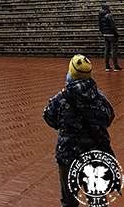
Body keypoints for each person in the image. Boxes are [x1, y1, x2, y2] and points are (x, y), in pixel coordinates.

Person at [43, 54, 116, 207]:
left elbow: (49, 117)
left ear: (71, 74)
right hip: (94, 155)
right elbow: (109, 117)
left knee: (69, 201)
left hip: (68, 155)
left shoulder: (61, 98)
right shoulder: (100, 98)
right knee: (97, 200)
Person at [98, 3, 122, 72]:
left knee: (107, 50)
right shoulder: (109, 15)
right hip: (111, 34)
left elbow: (100, 26)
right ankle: (115, 66)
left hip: (105, 34)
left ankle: (107, 66)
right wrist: (116, 34)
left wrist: (103, 33)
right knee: (114, 50)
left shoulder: (100, 16)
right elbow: (113, 26)